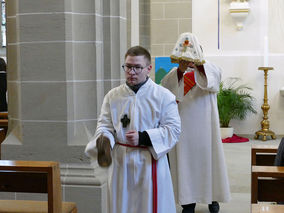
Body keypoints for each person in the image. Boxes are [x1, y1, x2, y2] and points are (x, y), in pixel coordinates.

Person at [85, 46, 181, 213]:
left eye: (137, 67)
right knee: (122, 206)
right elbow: (105, 124)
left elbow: (173, 130)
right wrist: (105, 138)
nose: (132, 72)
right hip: (121, 162)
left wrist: (143, 137)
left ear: (149, 69)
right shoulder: (113, 96)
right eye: (128, 67)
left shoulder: (163, 96)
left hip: (150, 162)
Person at [161, 32, 231, 213]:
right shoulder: (173, 75)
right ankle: (187, 202)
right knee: (186, 164)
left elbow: (212, 83)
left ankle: (212, 198)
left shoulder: (211, 69)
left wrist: (199, 66)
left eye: (193, 55)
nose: (188, 60)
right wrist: (180, 71)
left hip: (207, 128)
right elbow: (167, 92)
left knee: (210, 162)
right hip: (184, 129)